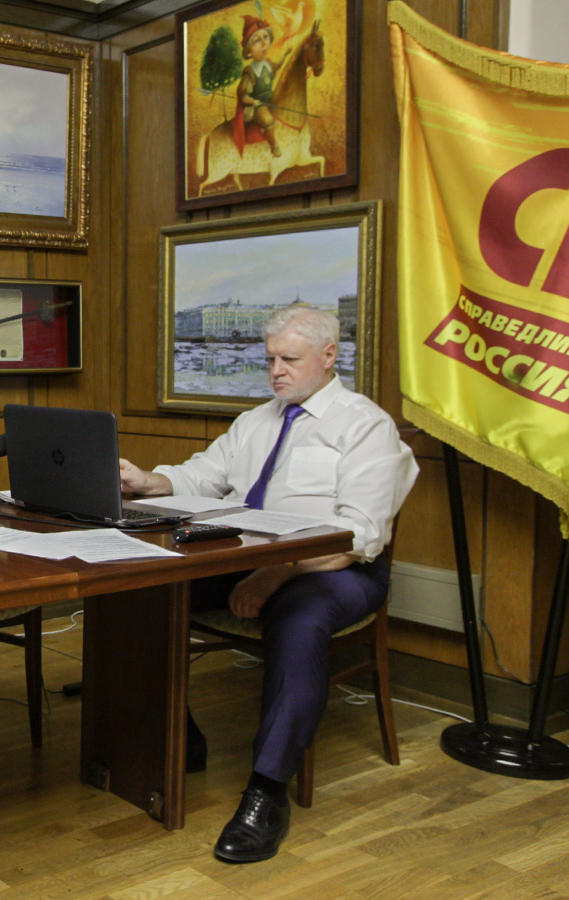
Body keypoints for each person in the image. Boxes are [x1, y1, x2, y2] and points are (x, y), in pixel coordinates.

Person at [118, 305, 417, 864]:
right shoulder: (257, 421)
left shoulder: (365, 426)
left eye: (289, 359)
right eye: (270, 359)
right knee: (141, 592)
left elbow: (360, 534)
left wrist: (278, 569)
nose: (276, 371)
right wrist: (147, 481)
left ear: (328, 357)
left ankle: (266, 793)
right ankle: (179, 736)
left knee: (300, 624)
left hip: (337, 570)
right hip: (247, 557)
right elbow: (201, 476)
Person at [236, 15, 283, 157]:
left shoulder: (268, 64)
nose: (264, 43)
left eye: (265, 37)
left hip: (271, 99)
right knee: (268, 120)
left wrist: (286, 55)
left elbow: (278, 66)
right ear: (249, 52)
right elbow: (243, 95)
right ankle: (274, 147)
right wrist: (252, 101)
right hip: (258, 105)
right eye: (256, 41)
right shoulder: (250, 72)